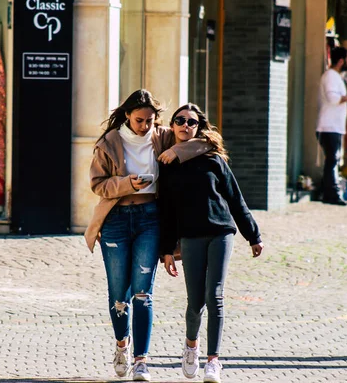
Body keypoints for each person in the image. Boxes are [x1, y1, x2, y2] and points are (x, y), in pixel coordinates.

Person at [84, 89, 212, 381]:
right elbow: (97, 184)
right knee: (119, 294)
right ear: (127, 115)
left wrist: (176, 150)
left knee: (143, 292)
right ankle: (122, 346)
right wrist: (126, 184)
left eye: (150, 120)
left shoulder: (163, 136)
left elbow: (204, 144)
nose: (144, 125)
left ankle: (141, 360)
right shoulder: (109, 142)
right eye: (139, 120)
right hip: (115, 219)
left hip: (150, 219)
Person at [158, 103, 264, 383]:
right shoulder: (167, 164)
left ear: (198, 127)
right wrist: (166, 250)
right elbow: (166, 211)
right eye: (179, 121)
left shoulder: (214, 160)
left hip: (221, 232)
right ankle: (191, 346)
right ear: (172, 126)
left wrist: (252, 235)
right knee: (195, 302)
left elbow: (235, 198)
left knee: (214, 296)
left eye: (191, 122)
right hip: (190, 237)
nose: (185, 125)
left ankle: (213, 361)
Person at [316, 46, 347, 206]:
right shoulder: (331, 76)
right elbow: (332, 98)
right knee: (332, 160)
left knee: (332, 160)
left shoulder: (335, 76)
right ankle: (332, 195)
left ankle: (328, 192)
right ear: (341, 61)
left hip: (333, 126)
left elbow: (336, 102)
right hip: (329, 126)